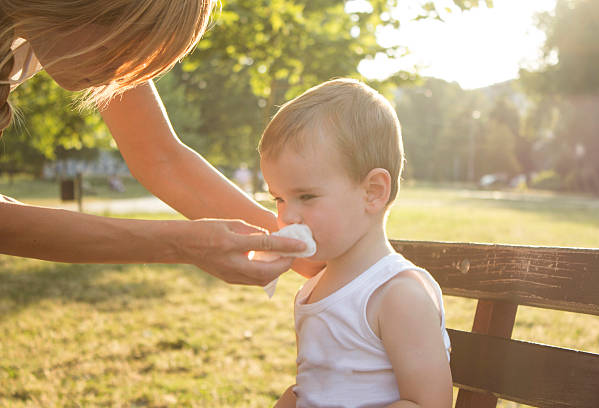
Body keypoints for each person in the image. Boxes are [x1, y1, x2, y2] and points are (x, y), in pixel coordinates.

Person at [0, 1, 320, 284]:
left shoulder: (67, 34)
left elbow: (160, 157)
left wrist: (299, 248)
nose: (117, 73)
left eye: (136, 58)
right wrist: (180, 243)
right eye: (113, 48)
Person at [258, 78, 452, 407]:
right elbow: (313, 389)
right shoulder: (312, 290)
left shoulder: (398, 294)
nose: (288, 216)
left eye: (306, 196)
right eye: (279, 198)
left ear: (373, 192)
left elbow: (429, 403)